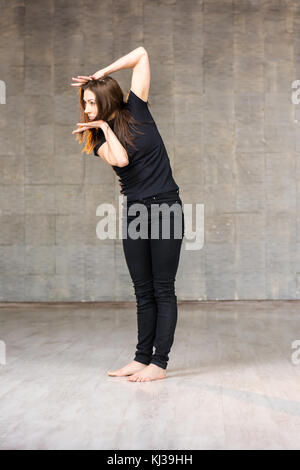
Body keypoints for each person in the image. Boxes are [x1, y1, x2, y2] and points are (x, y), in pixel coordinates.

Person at [71, 47, 185, 382]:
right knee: (142, 290)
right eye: (85, 103)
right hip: (135, 212)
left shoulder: (137, 108)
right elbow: (120, 159)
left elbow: (142, 54)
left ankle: (159, 364)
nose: (87, 108)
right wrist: (103, 129)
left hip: (166, 206)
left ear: (106, 99)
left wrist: (100, 72)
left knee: (163, 289)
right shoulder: (93, 137)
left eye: (91, 101)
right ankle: (140, 358)